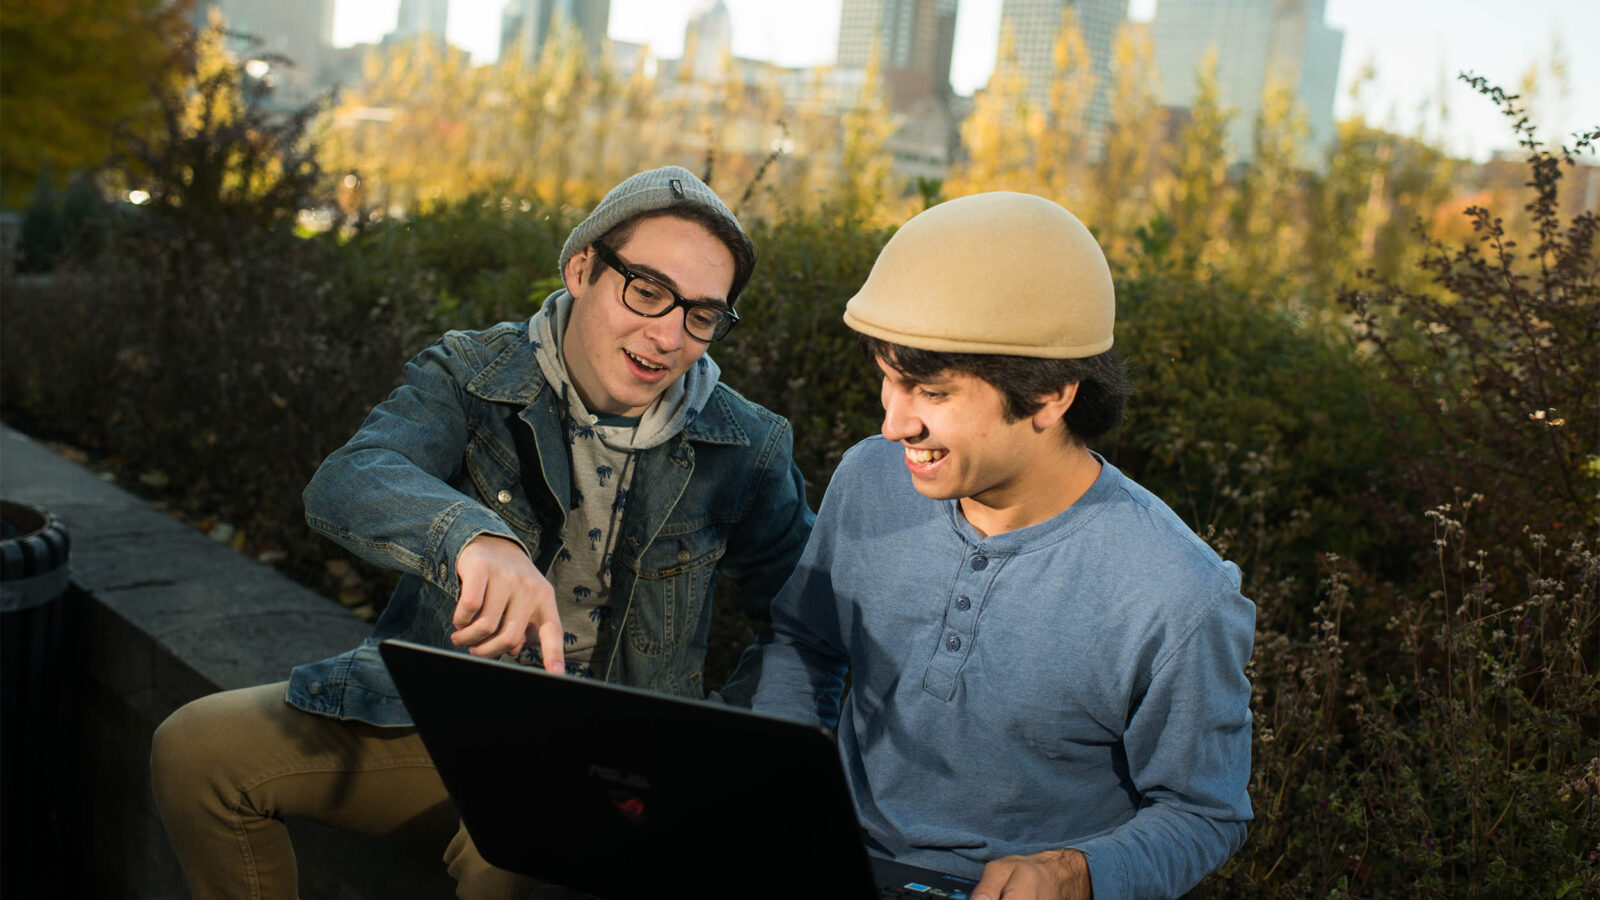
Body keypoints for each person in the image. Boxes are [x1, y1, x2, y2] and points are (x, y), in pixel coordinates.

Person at [151, 166, 815, 899]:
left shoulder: (745, 446)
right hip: (448, 725)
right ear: (582, 267)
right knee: (196, 753)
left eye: (701, 315)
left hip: (618, 758)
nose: (666, 335)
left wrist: (719, 744)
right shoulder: (474, 374)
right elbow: (350, 477)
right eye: (648, 291)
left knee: (511, 858)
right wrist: (472, 537)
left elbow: (809, 624)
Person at [751, 192, 1255, 900]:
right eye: (887, 379)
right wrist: (781, 789)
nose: (893, 424)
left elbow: (1205, 812)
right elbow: (806, 641)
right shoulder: (870, 479)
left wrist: (1074, 873)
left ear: (1050, 396)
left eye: (930, 390)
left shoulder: (1176, 593)